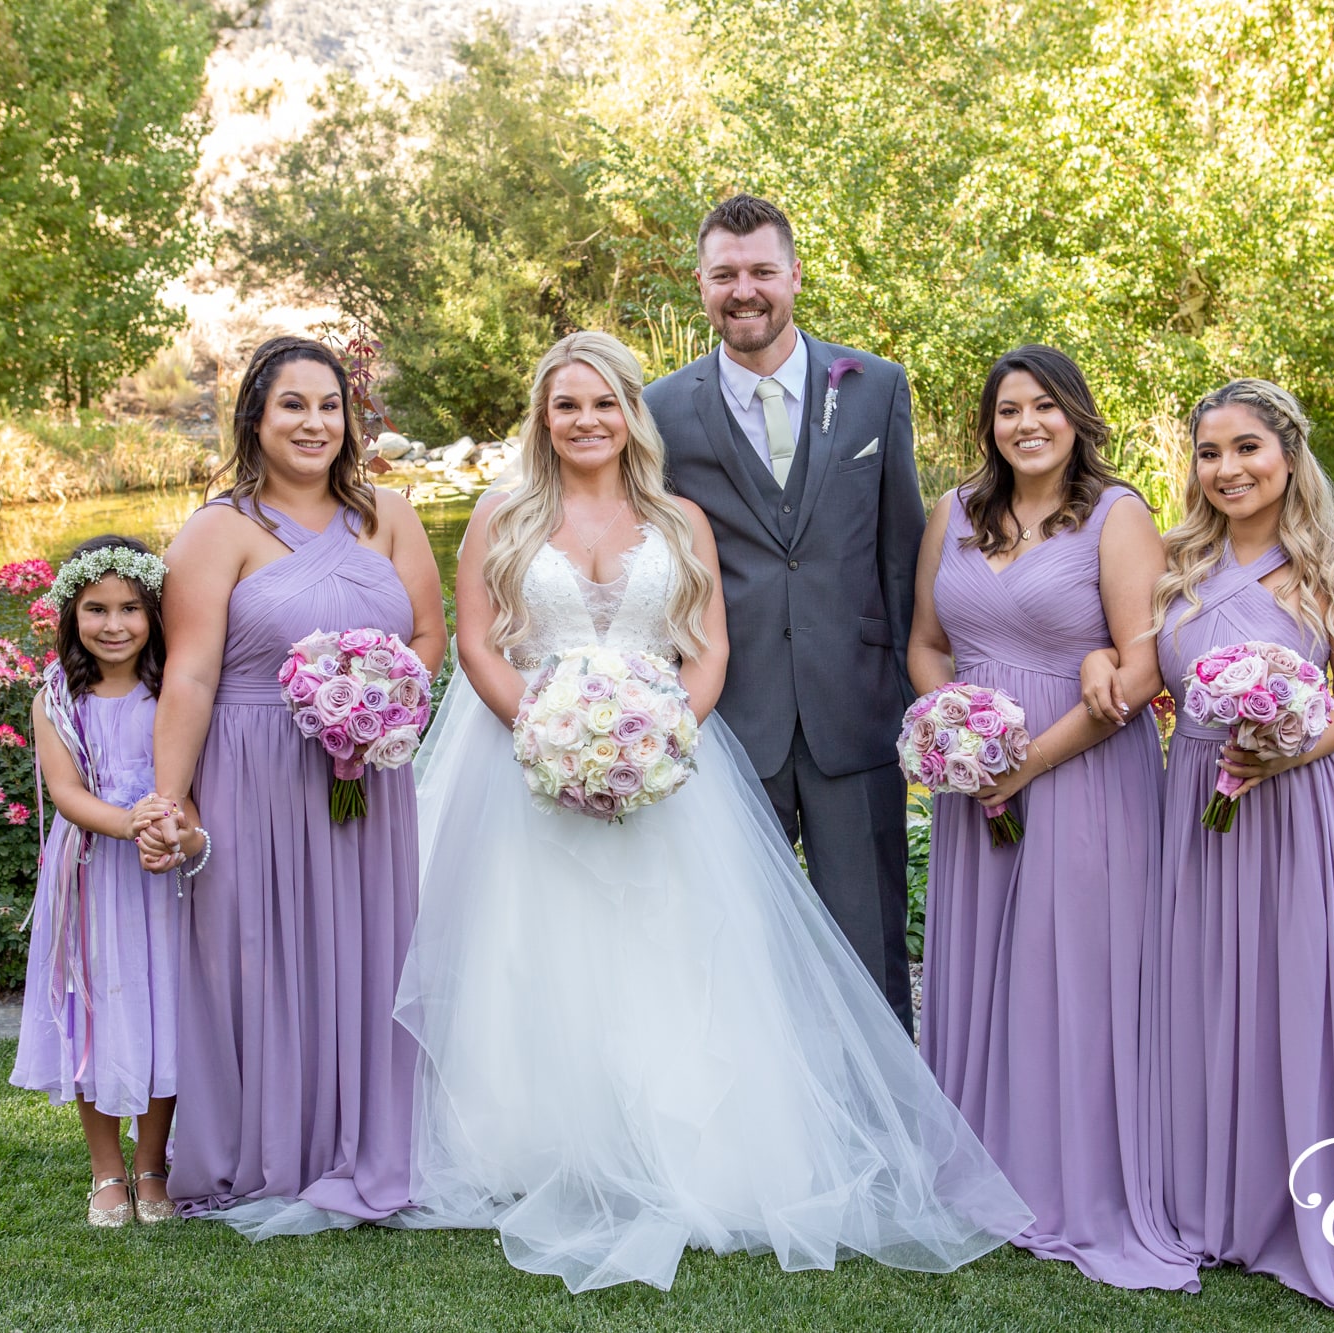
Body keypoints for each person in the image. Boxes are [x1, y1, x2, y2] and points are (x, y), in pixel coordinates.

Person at [395, 330, 1033, 1294]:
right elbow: (478, 641)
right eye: (567, 405)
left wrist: (658, 737)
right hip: (526, 760)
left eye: (604, 403)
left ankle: (686, 1138)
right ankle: (534, 1139)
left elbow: (709, 652)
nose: (586, 421)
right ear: (543, 417)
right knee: (534, 948)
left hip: (666, 770)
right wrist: (545, 728)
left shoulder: (680, 517)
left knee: (671, 951)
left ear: (630, 414)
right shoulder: (501, 512)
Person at [1084, 378, 1334, 1313]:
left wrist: (1285, 747)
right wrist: (1094, 666)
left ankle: (1321, 1210)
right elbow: (1126, 658)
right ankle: (1215, 1205)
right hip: (1195, 801)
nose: (1228, 469)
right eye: (1209, 453)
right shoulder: (1172, 561)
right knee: (1201, 994)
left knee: (1303, 996)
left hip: (1304, 804)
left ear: (1288, 454)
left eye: (1247, 448)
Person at [142, 335, 447, 1238]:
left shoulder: (388, 515)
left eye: (329, 406)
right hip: (254, 772)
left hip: (365, 775)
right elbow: (189, 676)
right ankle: (266, 1149)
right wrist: (173, 800)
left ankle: (367, 1139)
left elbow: (429, 637)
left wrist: (383, 708)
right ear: (256, 417)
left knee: (367, 949)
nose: (314, 423)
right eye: (293, 406)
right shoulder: (217, 530)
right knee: (259, 954)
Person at [908, 347, 1198, 1288]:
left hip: (1081, 778)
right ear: (987, 424)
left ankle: (1077, 1180)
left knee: (1071, 973)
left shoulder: (1118, 516)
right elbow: (928, 642)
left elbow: (1142, 666)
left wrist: (1022, 763)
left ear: (1076, 415)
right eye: (1006, 410)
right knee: (985, 966)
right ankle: (985, 1165)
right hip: (978, 777)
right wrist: (954, 731)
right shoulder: (952, 510)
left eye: (1044, 407)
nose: (1025, 424)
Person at [644, 194, 926, 1030]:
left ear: (794, 276)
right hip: (731, 721)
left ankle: (891, 1143)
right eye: (725, 274)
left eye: (762, 271)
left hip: (856, 710)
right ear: (700, 283)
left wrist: (920, 705)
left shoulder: (875, 387)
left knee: (871, 942)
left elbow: (901, 554)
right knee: (736, 947)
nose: (745, 290)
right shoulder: (658, 410)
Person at [12, 535, 189, 1227]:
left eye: (131, 608)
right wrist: (130, 822)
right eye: (96, 608)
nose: (114, 624)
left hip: (161, 873)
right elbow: (67, 792)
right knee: (96, 1010)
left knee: (162, 1008)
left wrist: (166, 829)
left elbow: (190, 775)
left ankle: (153, 1163)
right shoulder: (57, 698)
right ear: (71, 613)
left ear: (155, 613)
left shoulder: (172, 688)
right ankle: (105, 1169)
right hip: (91, 873)